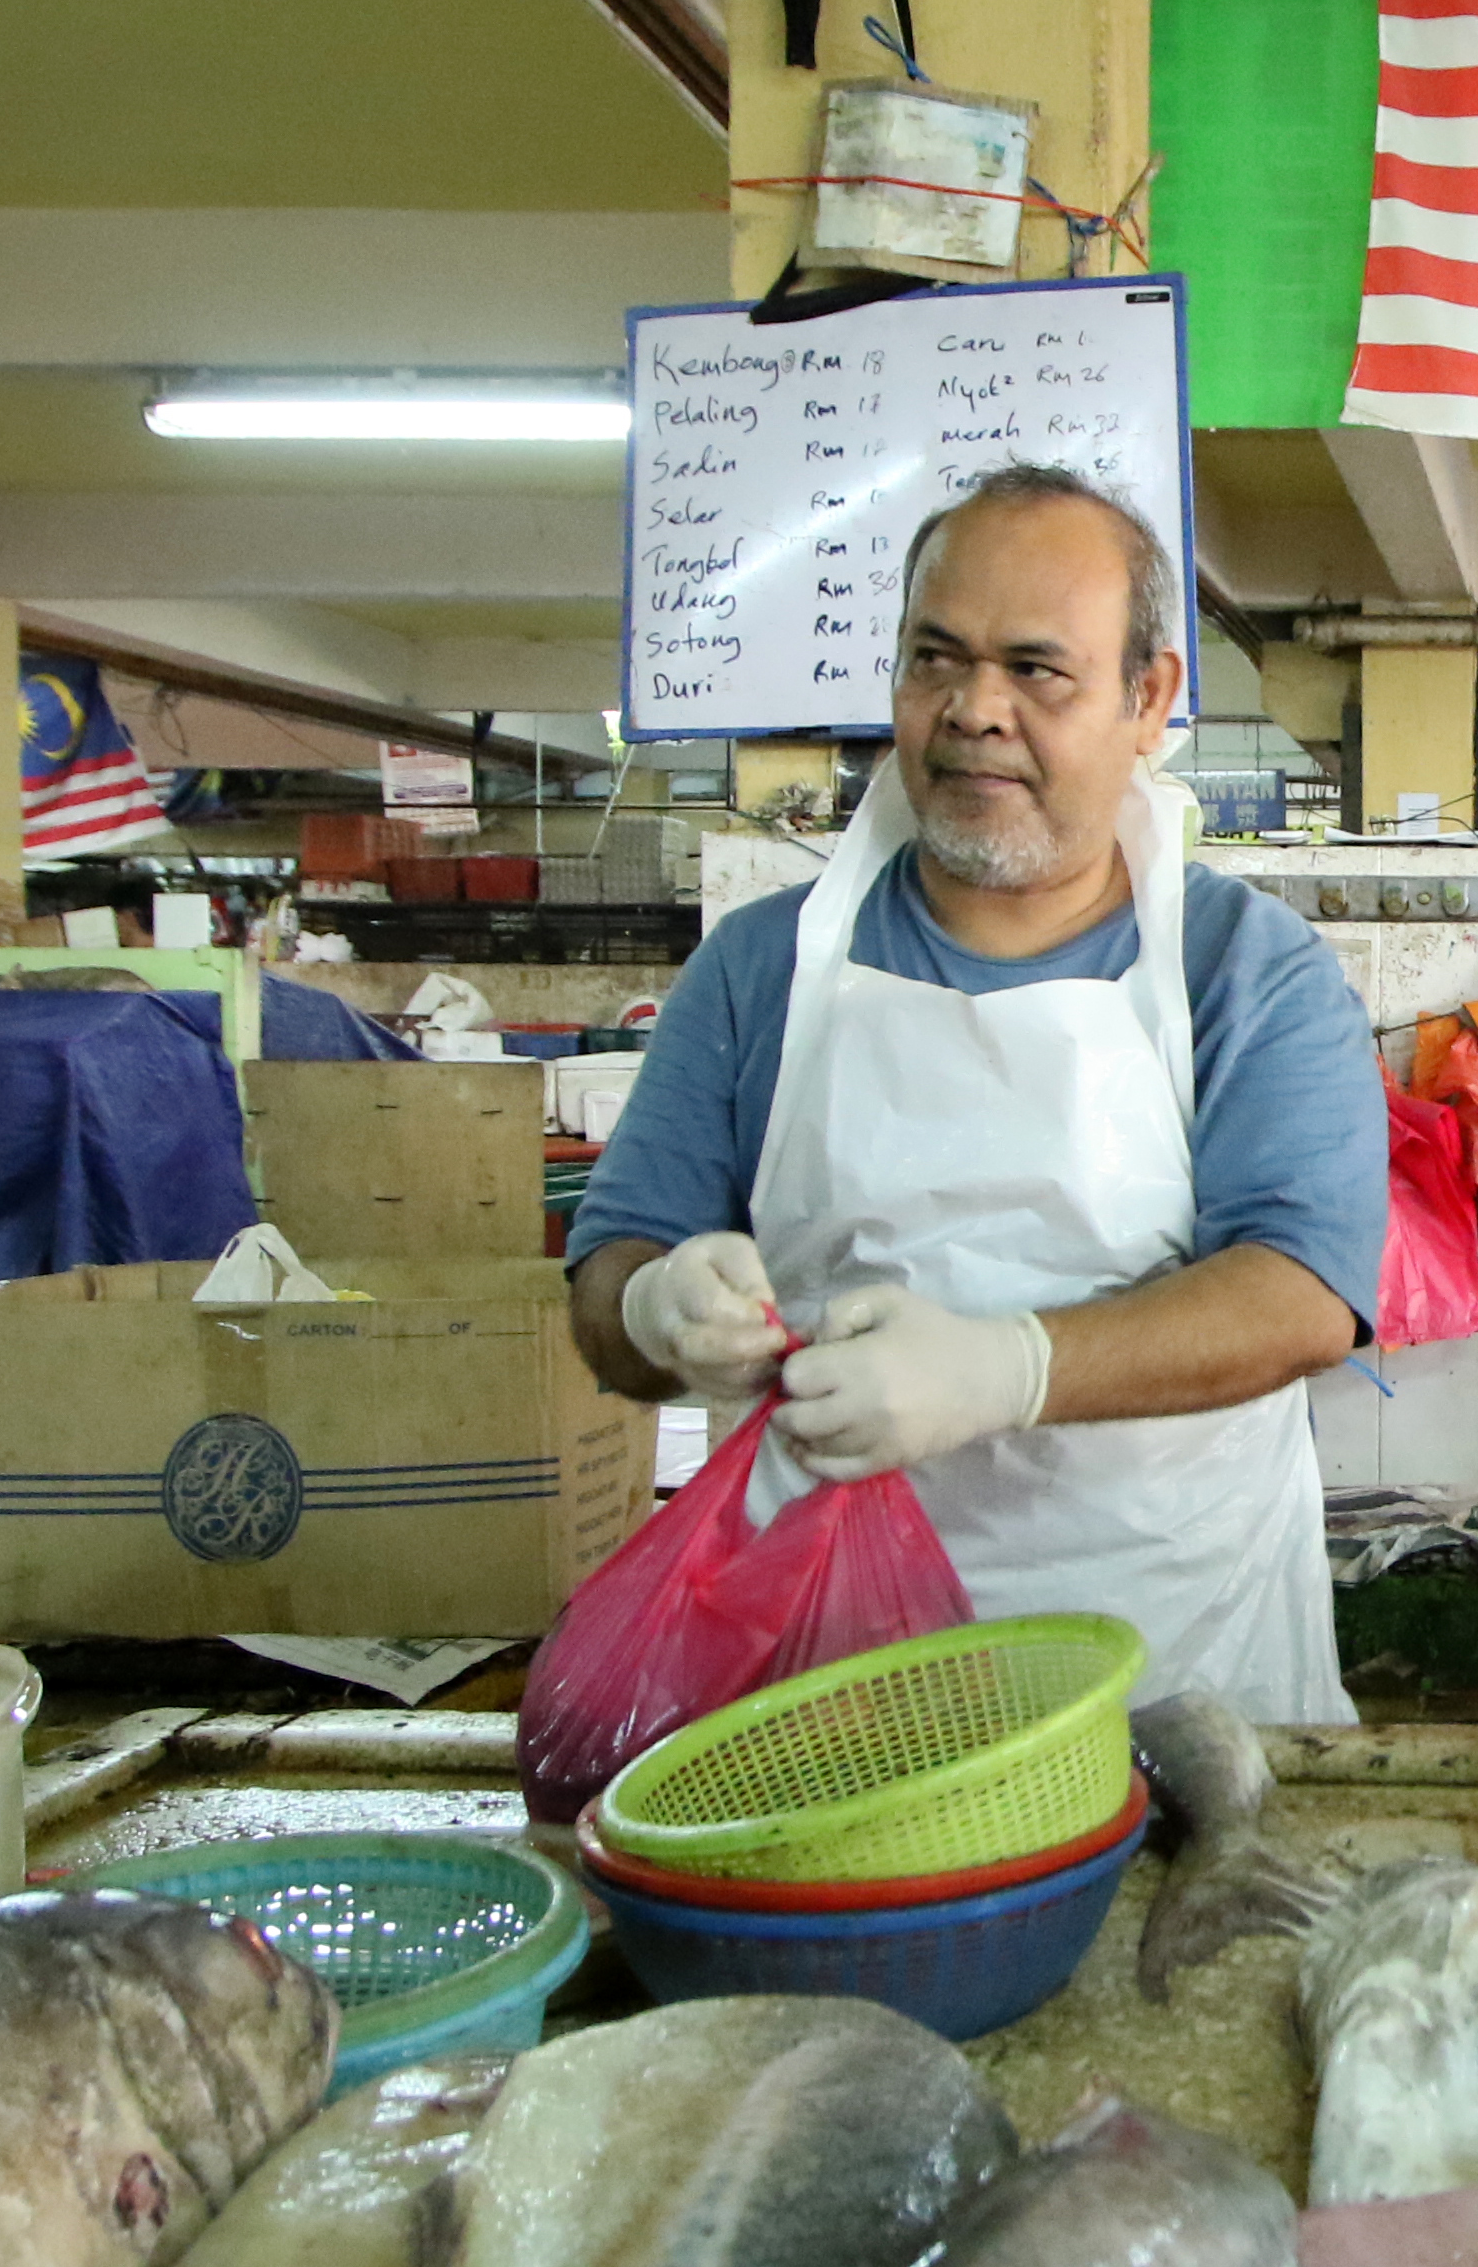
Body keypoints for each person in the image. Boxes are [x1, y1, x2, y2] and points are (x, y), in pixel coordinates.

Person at [566, 463, 1384, 1722]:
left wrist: (1008, 1369)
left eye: (1036, 669)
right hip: (829, 1677)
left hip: (1172, 1671)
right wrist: (659, 1307)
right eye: (935, 659)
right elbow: (604, 1306)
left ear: (1148, 697)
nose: (973, 711)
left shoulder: (1245, 971)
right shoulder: (761, 971)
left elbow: (1301, 1296)